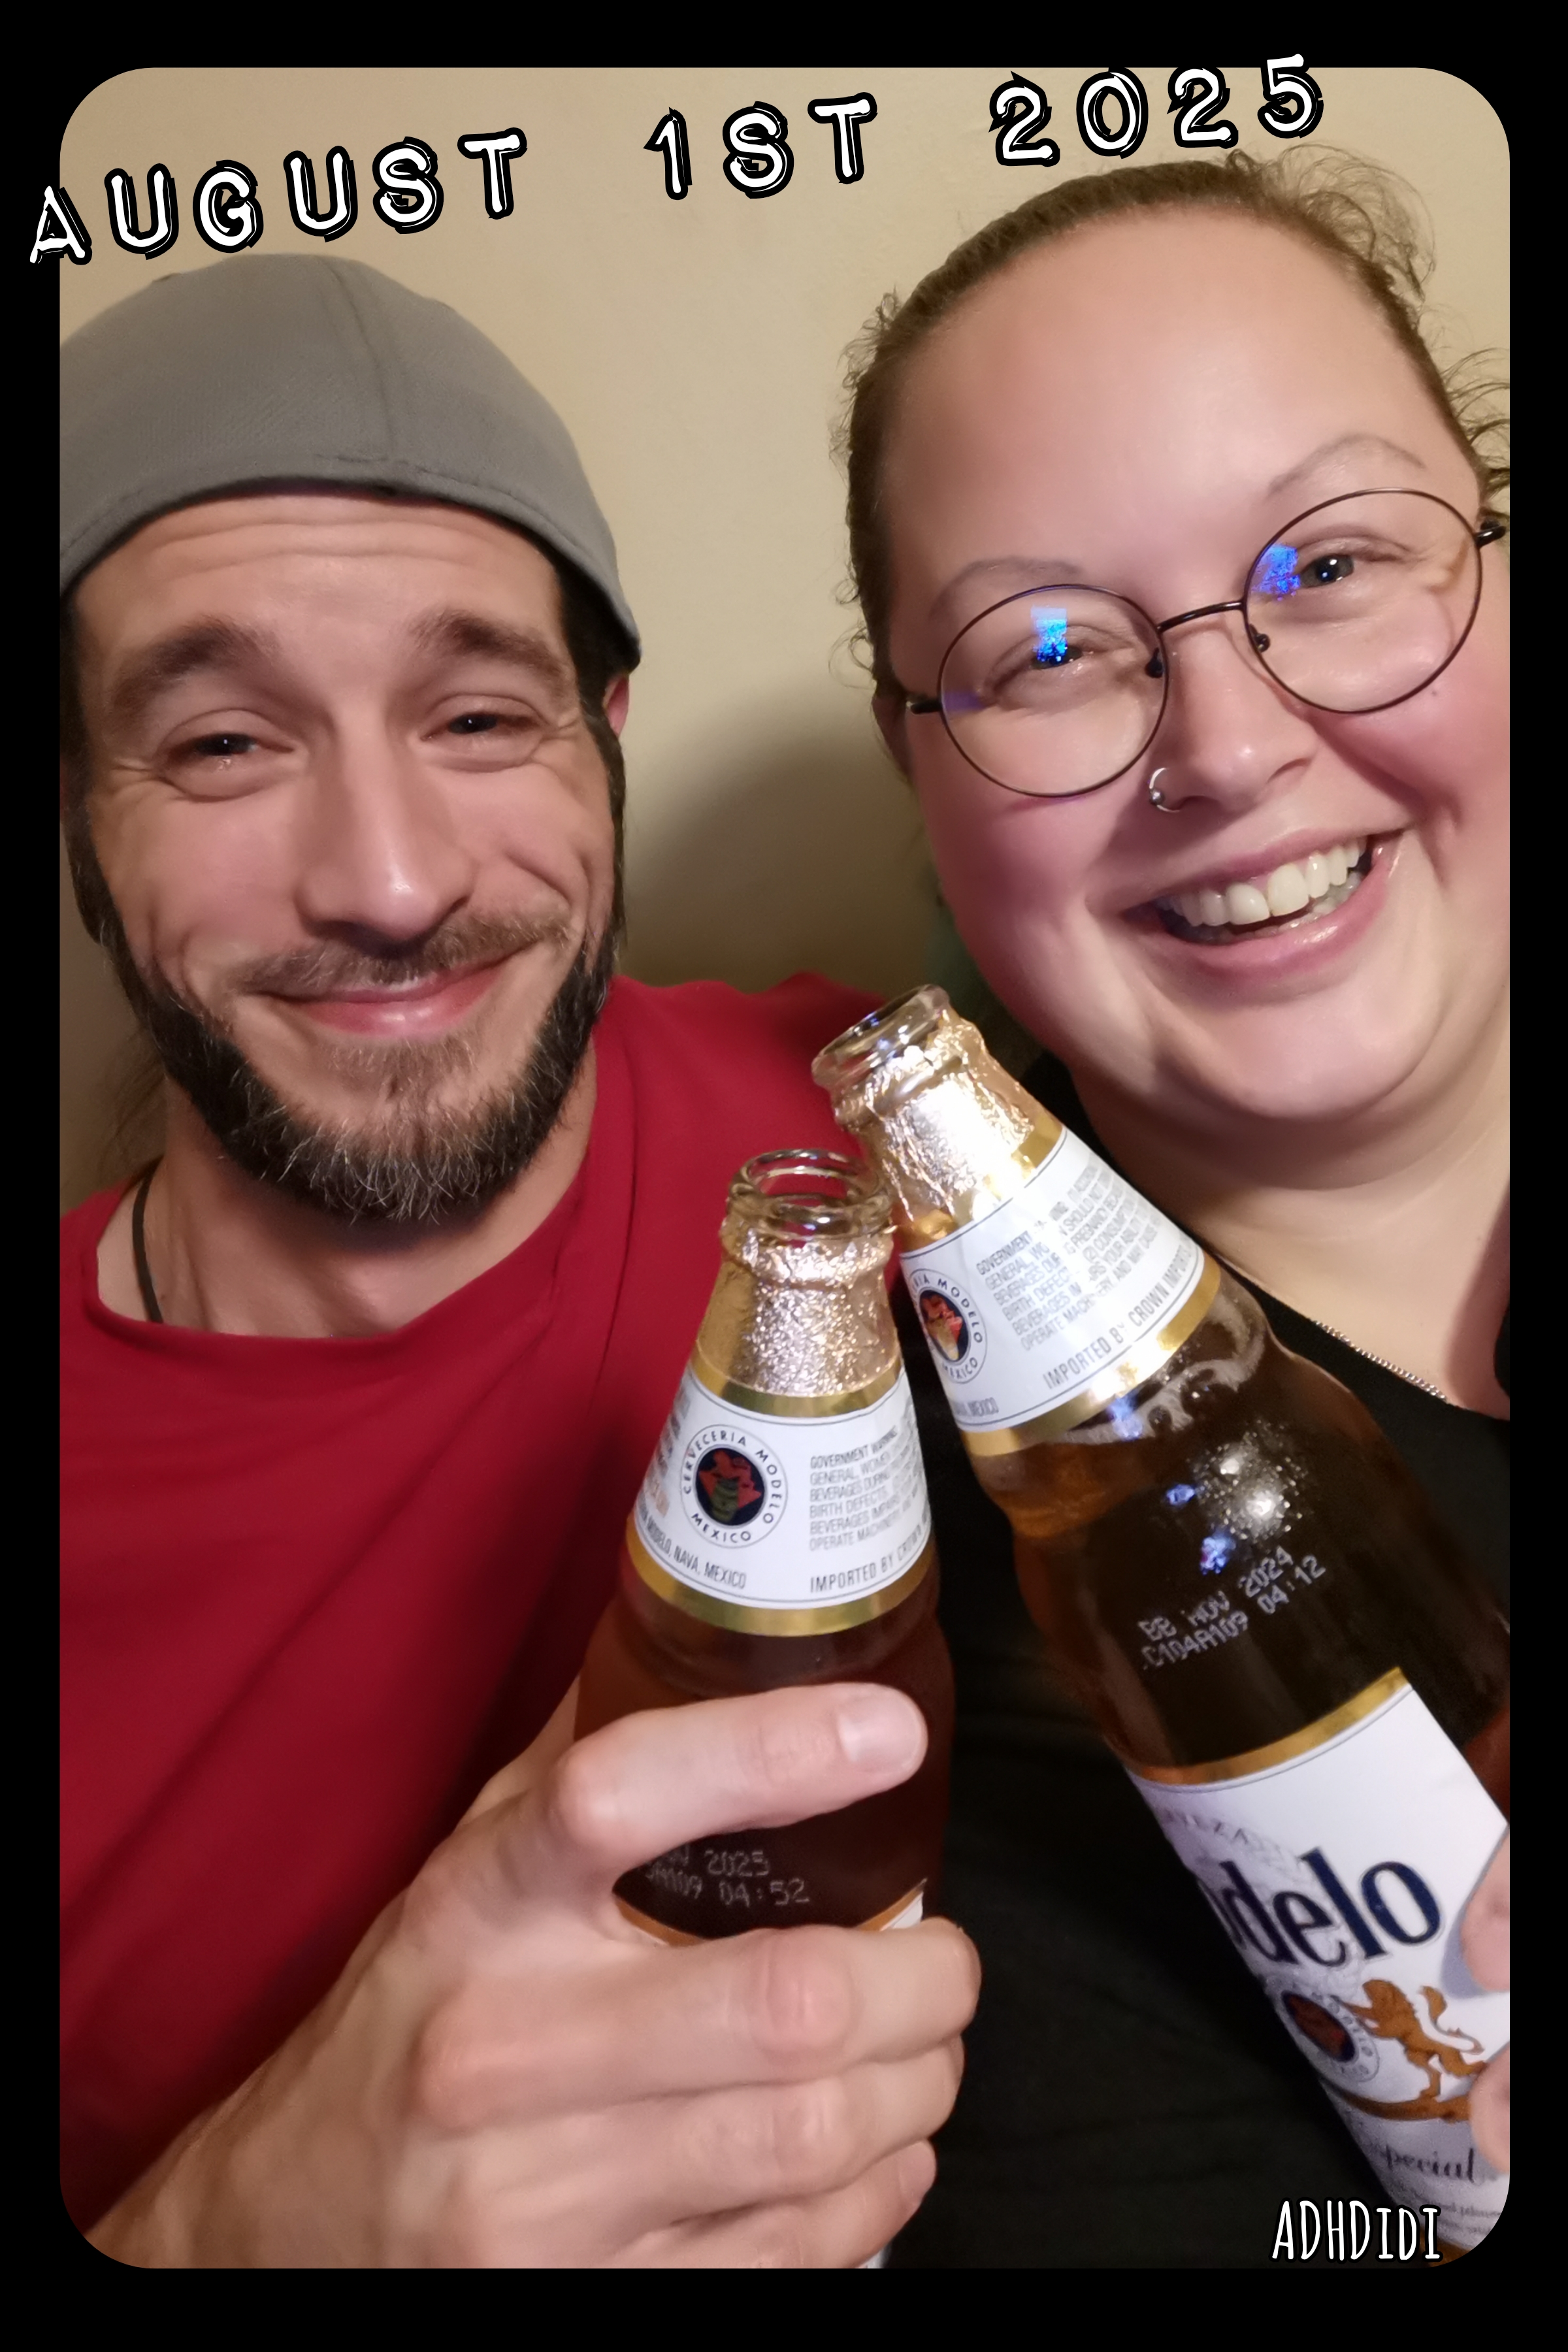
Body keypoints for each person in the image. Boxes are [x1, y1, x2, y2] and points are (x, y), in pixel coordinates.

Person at [59, 254, 979, 2264]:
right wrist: (232, 2225)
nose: (391, 881)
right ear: (78, 810)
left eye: (482, 713)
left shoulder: (898, 1131)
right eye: (218, 745)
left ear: (606, 737)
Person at [835, 151, 1509, 2265]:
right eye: (1046, 648)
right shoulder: (965, 1622)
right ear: (914, 767)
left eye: (1334, 561)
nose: (1224, 744)